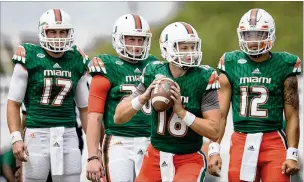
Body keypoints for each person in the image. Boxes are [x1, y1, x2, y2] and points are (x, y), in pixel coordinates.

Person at [114, 22, 221, 182]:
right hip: (155, 156)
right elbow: (119, 117)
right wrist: (143, 97)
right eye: (183, 48)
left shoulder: (203, 77)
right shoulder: (154, 72)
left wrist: (182, 112)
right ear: (166, 48)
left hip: (188, 158)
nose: (190, 53)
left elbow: (214, 131)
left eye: (193, 47)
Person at [208, 8, 301, 182]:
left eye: (259, 34)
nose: (253, 41)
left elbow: (292, 115)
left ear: (270, 34)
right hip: (241, 140)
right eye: (248, 35)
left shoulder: (284, 64)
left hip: (273, 140)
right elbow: (220, 114)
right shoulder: (231, 62)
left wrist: (292, 153)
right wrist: (214, 149)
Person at [7, 9, 89, 182]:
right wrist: (15, 138)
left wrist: (94, 148)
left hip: (68, 133)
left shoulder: (76, 59)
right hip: (36, 133)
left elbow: (85, 108)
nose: (58, 36)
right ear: (43, 32)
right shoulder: (29, 56)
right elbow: (14, 103)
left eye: (62, 32)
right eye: (52, 31)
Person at [85, 14, 158, 182]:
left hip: (150, 140)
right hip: (119, 141)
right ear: (118, 39)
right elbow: (94, 117)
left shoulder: (155, 66)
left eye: (141, 40)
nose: (136, 45)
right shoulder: (107, 66)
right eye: (131, 39)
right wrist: (92, 156)